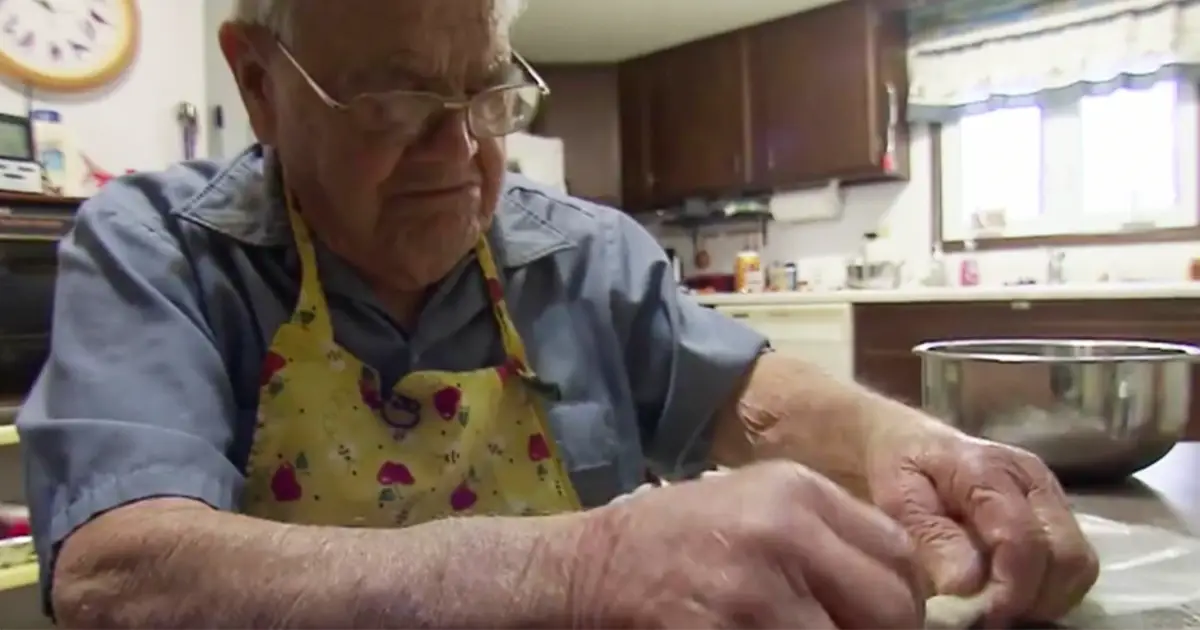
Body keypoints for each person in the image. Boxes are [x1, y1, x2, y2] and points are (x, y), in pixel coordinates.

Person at [16, 0, 1098, 627]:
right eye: (394, 103)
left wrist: (916, 445)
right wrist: (584, 565)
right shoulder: (158, 250)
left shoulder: (580, 252)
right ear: (259, 85)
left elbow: (760, 400)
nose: (459, 155)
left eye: (486, 96)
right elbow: (118, 572)